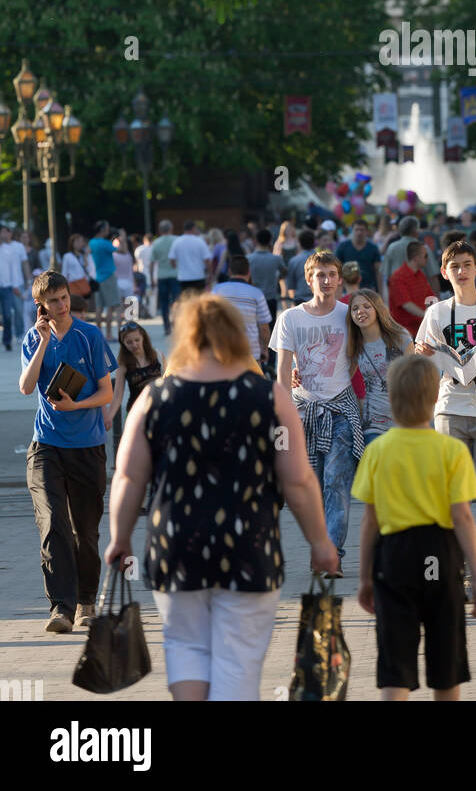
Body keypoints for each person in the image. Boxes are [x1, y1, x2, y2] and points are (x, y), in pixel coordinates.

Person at [105, 292, 337, 701]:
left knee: (185, 648)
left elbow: (127, 476)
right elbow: (298, 481)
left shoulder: (153, 399)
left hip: (174, 545)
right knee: (238, 661)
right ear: (236, 335)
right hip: (248, 546)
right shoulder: (270, 397)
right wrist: (320, 542)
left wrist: (119, 539)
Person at [352, 354, 476, 701]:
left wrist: (365, 576)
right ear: (434, 399)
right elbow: (463, 518)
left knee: (396, 662)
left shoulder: (378, 451)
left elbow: (370, 521)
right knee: (446, 663)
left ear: (393, 399)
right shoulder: (452, 451)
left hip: (394, 555)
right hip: (440, 554)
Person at [19, 271, 117, 633]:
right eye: (53, 301)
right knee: (52, 524)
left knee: (85, 531)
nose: (61, 306)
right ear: (41, 306)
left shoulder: (89, 336)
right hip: (46, 444)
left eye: (64, 299)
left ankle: (86, 602)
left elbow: (106, 393)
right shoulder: (34, 337)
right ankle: (61, 607)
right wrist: (43, 341)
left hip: (87, 446)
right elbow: (27, 388)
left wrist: (77, 406)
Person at [415, 240, 476, 597]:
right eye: (454, 266)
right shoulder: (437, 313)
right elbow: (422, 358)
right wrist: (422, 353)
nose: (462, 271)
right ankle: (465, 565)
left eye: (467, 264)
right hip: (450, 407)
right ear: (444, 272)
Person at [270, 249, 364, 574]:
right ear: (309, 279)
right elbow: (281, 370)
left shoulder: (349, 314)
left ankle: (332, 555)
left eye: (331, 275)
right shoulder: (291, 318)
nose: (325, 281)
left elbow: (364, 350)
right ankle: (320, 548)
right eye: (319, 275)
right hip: (303, 411)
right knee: (310, 487)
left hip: (341, 407)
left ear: (340, 279)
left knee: (336, 483)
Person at [346, 290, 413, 444]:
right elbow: (342, 378)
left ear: (377, 308)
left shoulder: (400, 336)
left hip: (403, 419)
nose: (360, 311)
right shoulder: (355, 345)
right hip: (373, 424)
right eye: (355, 308)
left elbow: (414, 377)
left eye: (366, 306)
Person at [212, 254, 272, 366]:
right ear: (248, 272)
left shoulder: (217, 291)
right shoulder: (256, 293)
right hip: (250, 354)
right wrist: (264, 349)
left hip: (223, 353)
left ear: (229, 271)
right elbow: (264, 328)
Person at [105, 321, 164, 432]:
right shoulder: (123, 364)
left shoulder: (158, 356)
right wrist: (108, 418)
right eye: (129, 342)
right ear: (123, 344)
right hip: (135, 413)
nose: (134, 345)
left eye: (137, 340)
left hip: (158, 412)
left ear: (143, 338)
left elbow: (168, 384)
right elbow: (118, 395)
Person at [381, 217, 439, 306]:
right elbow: (433, 277)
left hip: (397, 300)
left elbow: (386, 276)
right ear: (416, 230)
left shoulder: (392, 247)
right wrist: (437, 300)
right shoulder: (424, 248)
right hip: (420, 299)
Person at [387, 239, 435, 337]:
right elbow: (406, 304)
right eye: (426, 256)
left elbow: (430, 297)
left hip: (421, 329)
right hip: (405, 333)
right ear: (416, 258)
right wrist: (428, 316)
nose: (427, 259)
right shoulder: (398, 277)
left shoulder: (420, 274)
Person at [89, 220, 123, 341]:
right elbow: (119, 249)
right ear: (103, 230)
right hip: (108, 276)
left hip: (98, 276)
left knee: (99, 307)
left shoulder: (92, 242)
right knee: (111, 306)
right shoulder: (104, 243)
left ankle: (99, 335)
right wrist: (121, 238)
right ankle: (109, 334)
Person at [248, 228, 284, 324]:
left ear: (256, 240)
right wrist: (277, 277)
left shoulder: (249, 259)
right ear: (270, 241)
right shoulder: (276, 259)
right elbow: (285, 272)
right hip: (271, 296)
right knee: (271, 327)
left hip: (254, 297)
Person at [335, 219, 383, 294]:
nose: (359, 232)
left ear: (367, 231)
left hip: (368, 289)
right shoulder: (343, 247)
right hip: (347, 289)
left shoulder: (373, 248)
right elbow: (337, 269)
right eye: (357, 229)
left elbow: (378, 271)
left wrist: (380, 293)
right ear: (352, 231)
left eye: (362, 230)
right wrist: (338, 292)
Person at [150, 220, 178, 335]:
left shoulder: (156, 243)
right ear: (171, 229)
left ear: (160, 230)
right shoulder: (176, 240)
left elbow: (152, 262)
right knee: (176, 301)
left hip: (162, 275)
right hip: (175, 274)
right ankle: (176, 325)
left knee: (164, 302)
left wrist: (152, 277)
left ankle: (166, 326)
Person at [172, 220, 210, 295]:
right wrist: (210, 273)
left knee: (185, 299)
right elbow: (207, 260)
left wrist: (176, 268)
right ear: (193, 228)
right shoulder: (200, 241)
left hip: (183, 277)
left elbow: (172, 259)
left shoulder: (177, 241)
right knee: (199, 299)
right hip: (198, 276)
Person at [61, 233, 93, 310]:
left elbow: (88, 269)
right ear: (72, 243)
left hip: (83, 283)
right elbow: (64, 272)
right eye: (77, 241)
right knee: (74, 306)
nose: (79, 243)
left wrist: (86, 256)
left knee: (83, 306)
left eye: (81, 241)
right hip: (72, 284)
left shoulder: (83, 255)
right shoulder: (67, 256)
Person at [285, 228, 316, 304]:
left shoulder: (294, 260)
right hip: (318, 296)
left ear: (299, 243)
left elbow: (291, 284)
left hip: (300, 298)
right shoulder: (322, 258)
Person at [112, 229, 135, 310]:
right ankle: (130, 322)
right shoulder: (129, 256)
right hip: (129, 283)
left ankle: (120, 322)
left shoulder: (113, 256)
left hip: (117, 282)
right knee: (130, 308)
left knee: (119, 307)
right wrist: (123, 237)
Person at [133, 233, 153, 316]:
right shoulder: (153, 249)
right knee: (149, 296)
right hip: (149, 275)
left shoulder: (139, 249)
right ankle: (149, 312)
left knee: (139, 294)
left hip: (140, 274)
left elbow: (136, 264)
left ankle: (137, 312)